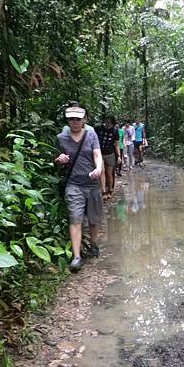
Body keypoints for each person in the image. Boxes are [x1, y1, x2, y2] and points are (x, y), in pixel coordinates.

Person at [55, 103, 103, 272]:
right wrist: (59, 160)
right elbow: (56, 163)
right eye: (71, 119)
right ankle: (76, 257)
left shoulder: (91, 135)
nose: (75, 122)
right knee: (75, 219)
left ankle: (94, 244)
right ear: (68, 121)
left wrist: (98, 168)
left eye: (78, 119)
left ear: (84, 120)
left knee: (93, 219)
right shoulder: (61, 138)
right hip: (73, 185)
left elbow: (97, 154)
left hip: (92, 184)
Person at [97, 115, 120, 199]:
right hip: (99, 154)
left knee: (109, 174)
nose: (107, 124)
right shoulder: (99, 129)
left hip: (110, 154)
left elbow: (117, 145)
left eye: (109, 123)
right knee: (101, 172)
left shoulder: (115, 131)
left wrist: (119, 156)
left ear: (113, 123)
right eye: (106, 122)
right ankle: (103, 191)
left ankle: (109, 190)